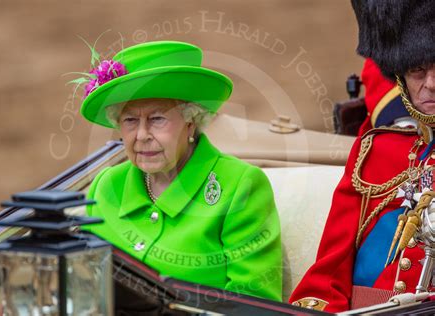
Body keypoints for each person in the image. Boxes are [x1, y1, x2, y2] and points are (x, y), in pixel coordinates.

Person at [79, 40, 282, 301]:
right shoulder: (106, 185)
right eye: (130, 120)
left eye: (157, 119)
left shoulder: (240, 186)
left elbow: (255, 305)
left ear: (191, 121)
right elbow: (80, 286)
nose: (141, 135)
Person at [290, 0, 435, 312]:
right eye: (417, 70)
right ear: (400, 76)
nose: (431, 85)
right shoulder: (376, 150)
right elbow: (329, 274)